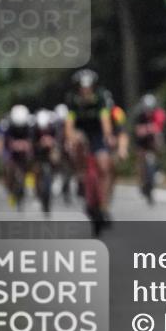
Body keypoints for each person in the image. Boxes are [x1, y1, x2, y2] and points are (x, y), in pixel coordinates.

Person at [64, 69, 116, 220]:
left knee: (104, 165)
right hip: (81, 131)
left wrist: (108, 136)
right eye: (82, 88)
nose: (86, 91)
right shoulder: (72, 99)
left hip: (98, 132)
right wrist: (70, 138)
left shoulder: (101, 97)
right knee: (76, 142)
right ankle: (80, 174)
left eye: (89, 88)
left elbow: (105, 120)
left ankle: (104, 205)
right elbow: (69, 124)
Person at [0, 104, 33, 206]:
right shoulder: (5, 124)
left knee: (32, 161)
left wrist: (28, 145)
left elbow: (33, 140)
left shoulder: (30, 123)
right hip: (9, 150)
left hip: (24, 149)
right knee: (8, 168)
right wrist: (1, 153)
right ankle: (9, 188)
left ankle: (30, 182)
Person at [132, 94, 166, 202]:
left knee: (159, 139)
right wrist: (147, 129)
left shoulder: (159, 113)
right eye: (147, 109)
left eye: (151, 109)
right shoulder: (139, 114)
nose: (149, 112)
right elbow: (138, 130)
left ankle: (159, 165)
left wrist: (147, 129)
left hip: (153, 137)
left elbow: (158, 127)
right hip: (142, 140)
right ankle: (141, 180)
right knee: (140, 157)